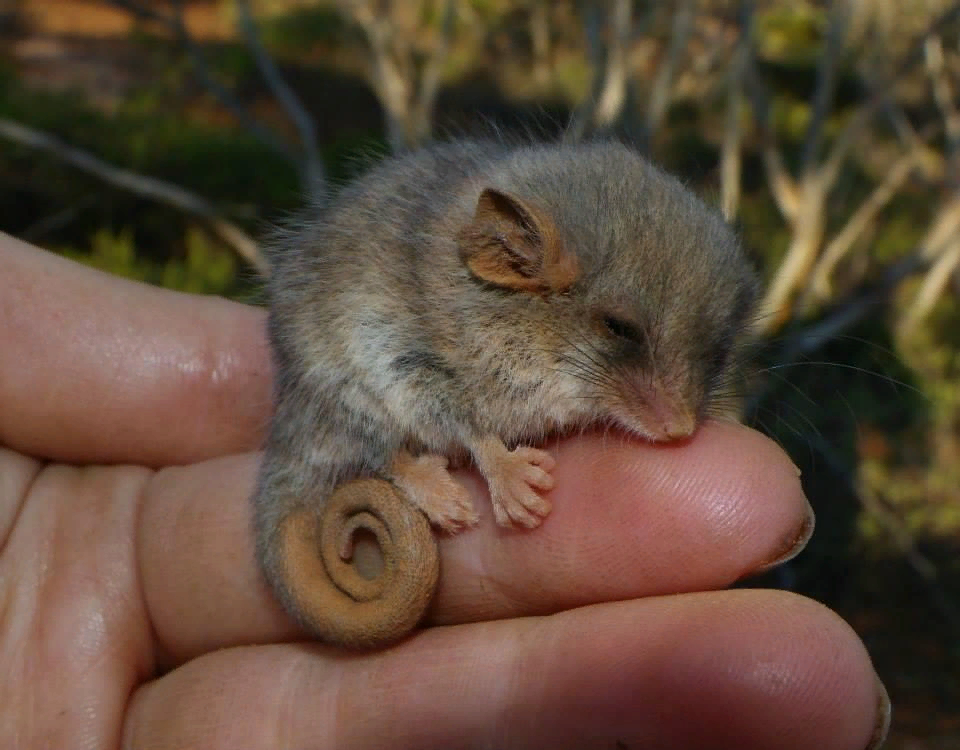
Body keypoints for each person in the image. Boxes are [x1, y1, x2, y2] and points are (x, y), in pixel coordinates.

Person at [0, 231, 888, 749]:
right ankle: (388, 467)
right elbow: (444, 377)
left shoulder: (567, 314)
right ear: (513, 259)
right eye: (622, 334)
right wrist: (486, 456)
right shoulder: (480, 305)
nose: (677, 418)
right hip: (358, 379)